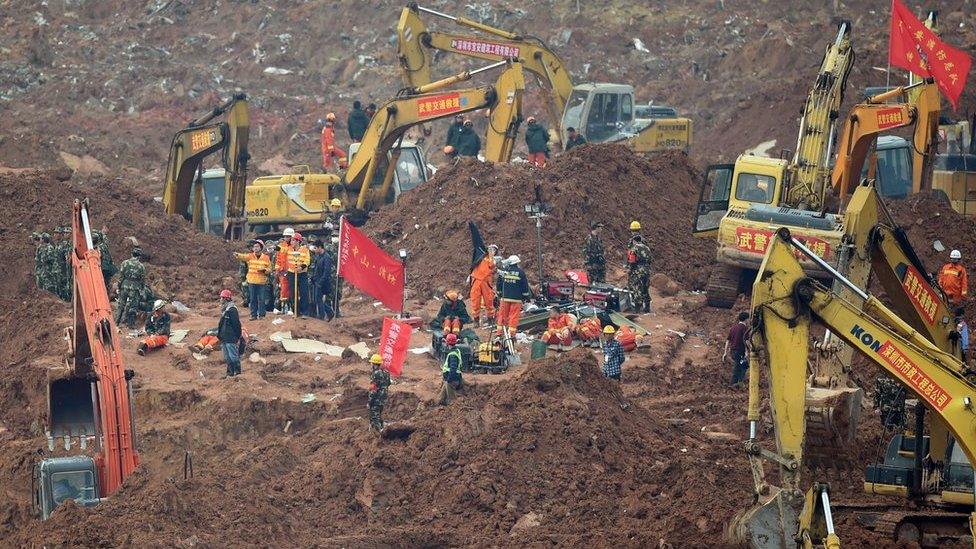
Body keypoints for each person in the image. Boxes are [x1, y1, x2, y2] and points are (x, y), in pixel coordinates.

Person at [495, 255, 532, 337]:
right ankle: (511, 335)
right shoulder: (521, 272)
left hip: (504, 298)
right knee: (513, 317)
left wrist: (499, 293)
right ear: (516, 263)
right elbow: (525, 286)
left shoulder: (504, 271)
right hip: (517, 299)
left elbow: (499, 283)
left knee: (502, 315)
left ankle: (499, 333)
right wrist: (526, 296)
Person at [235, 240, 272, 320]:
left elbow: (269, 269)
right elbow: (243, 256)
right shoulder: (250, 256)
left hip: (261, 281)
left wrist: (265, 270)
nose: (255, 248)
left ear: (261, 248)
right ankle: (253, 315)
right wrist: (237, 255)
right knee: (253, 299)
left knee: (262, 299)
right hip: (252, 281)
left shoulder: (266, 258)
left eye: (257, 246)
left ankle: (262, 315)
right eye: (254, 247)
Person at [115, 247, 147, 329]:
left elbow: (121, 276)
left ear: (131, 254)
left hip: (124, 286)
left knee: (120, 305)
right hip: (135, 288)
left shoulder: (124, 263)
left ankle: (116, 323)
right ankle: (130, 325)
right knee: (133, 307)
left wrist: (119, 286)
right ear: (139, 256)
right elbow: (142, 280)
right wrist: (142, 289)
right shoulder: (141, 266)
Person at [470, 244, 498, 326]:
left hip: (486, 282)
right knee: (475, 301)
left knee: (489, 301)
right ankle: (476, 320)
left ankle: (490, 319)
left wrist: (491, 256)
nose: (491, 250)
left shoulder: (493, 260)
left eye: (494, 250)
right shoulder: (480, 256)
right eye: (490, 249)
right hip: (476, 280)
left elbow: (492, 266)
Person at [217, 289, 243, 377]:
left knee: (233, 356)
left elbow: (236, 324)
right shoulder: (225, 310)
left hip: (230, 337)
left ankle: (237, 373)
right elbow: (221, 324)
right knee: (227, 357)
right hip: (224, 337)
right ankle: (230, 373)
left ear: (226, 299)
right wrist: (220, 335)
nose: (220, 299)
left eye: (222, 298)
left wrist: (237, 336)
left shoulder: (232, 310)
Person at [722, 311, 750, 387]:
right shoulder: (745, 328)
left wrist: (725, 352)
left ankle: (738, 382)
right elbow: (746, 341)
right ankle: (734, 384)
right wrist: (749, 350)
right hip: (740, 351)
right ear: (746, 319)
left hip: (733, 351)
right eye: (748, 319)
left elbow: (728, 340)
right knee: (740, 366)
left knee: (741, 366)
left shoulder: (733, 328)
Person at [627, 234, 652, 313]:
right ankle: (647, 307)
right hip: (647, 270)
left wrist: (630, 270)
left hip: (638, 270)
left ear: (634, 241)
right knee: (645, 288)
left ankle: (637, 308)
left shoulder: (634, 248)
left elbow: (632, 261)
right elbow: (650, 260)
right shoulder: (647, 248)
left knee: (636, 287)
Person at [288, 233, 312, 316]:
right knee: (293, 293)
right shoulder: (288, 249)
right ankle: (296, 311)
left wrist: (301, 267)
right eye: (291, 240)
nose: (291, 242)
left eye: (293, 240)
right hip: (291, 273)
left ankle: (304, 312)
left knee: (304, 293)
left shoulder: (305, 249)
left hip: (302, 274)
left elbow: (307, 260)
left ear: (298, 241)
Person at [310, 240, 335, 320]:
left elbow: (326, 272)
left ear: (320, 247)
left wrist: (320, 282)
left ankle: (324, 315)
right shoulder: (318, 256)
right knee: (316, 299)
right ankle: (328, 313)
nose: (314, 250)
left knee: (318, 299)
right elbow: (316, 269)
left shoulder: (326, 257)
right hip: (316, 281)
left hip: (322, 282)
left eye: (315, 248)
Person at [367, 353, 391, 431]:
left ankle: (381, 432)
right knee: (379, 415)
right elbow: (388, 383)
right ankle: (382, 428)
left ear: (374, 364)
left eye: (371, 363)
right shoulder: (386, 373)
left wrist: (370, 402)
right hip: (383, 398)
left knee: (374, 417)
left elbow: (373, 390)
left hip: (376, 399)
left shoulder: (375, 374)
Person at [439, 333, 463, 405]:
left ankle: (457, 412)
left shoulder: (452, 354)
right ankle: (438, 408)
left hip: (451, 380)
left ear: (447, 343)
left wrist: (449, 380)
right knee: (441, 398)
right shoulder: (456, 350)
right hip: (450, 379)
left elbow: (453, 368)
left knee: (453, 401)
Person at [275, 229, 295, 314]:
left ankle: (291, 308)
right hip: (282, 271)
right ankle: (281, 307)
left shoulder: (294, 246)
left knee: (292, 290)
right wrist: (277, 270)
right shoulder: (281, 246)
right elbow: (278, 259)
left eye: (288, 236)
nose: (286, 238)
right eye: (285, 236)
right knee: (283, 290)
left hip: (292, 271)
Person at [92, 230, 116, 296]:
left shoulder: (97, 248)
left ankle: (104, 296)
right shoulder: (104, 246)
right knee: (106, 283)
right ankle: (107, 295)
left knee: (102, 283)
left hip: (103, 268)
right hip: (108, 268)